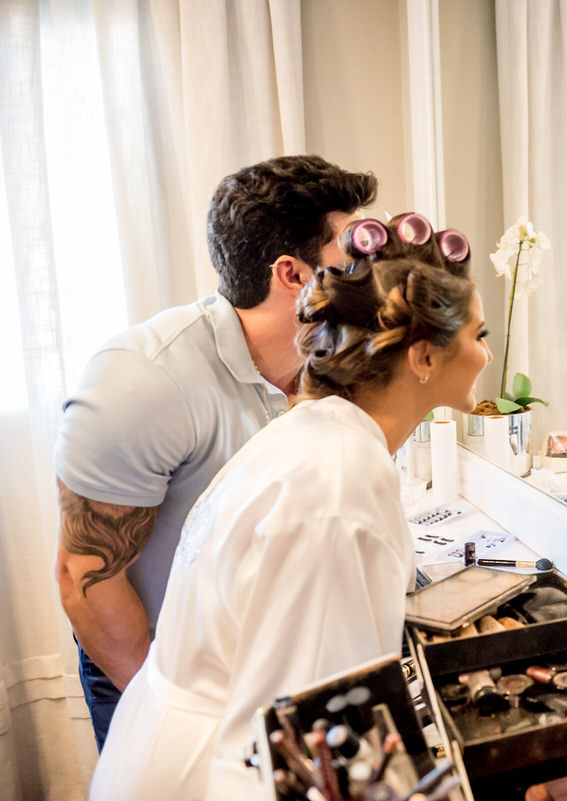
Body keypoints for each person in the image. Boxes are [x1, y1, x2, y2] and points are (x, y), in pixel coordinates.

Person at [89, 214, 491, 800]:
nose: (485, 354)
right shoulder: (339, 486)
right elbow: (313, 741)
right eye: (478, 335)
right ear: (424, 357)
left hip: (164, 745)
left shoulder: (314, 433)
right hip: (210, 775)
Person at [53, 155, 377, 749]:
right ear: (293, 274)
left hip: (263, 666)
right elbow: (87, 579)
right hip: (158, 668)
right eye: (354, 254)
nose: (373, 271)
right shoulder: (142, 381)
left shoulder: (330, 360)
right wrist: (172, 718)